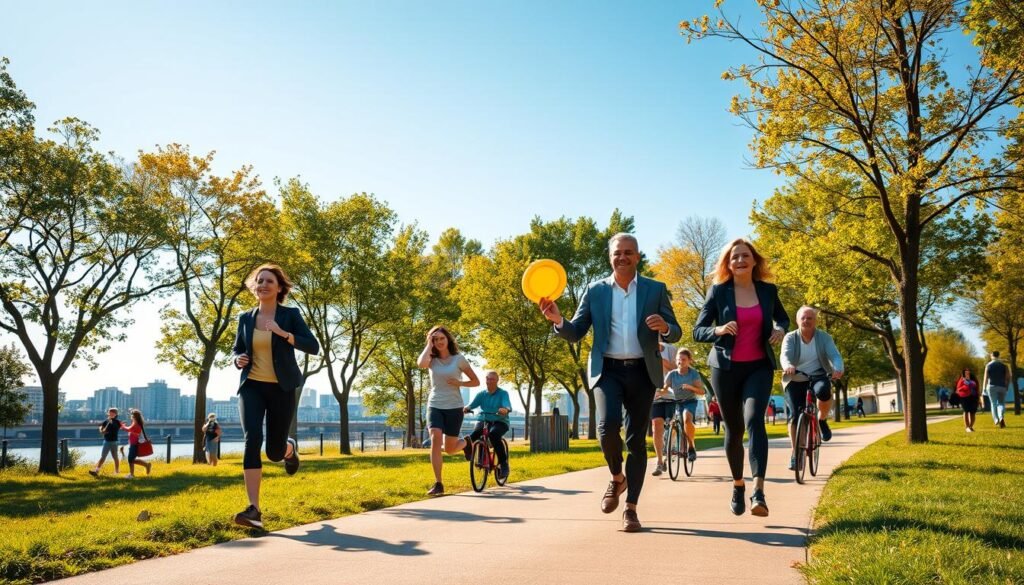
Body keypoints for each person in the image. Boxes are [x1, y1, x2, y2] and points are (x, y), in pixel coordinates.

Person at [540, 232, 681, 532]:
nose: (623, 257)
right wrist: (558, 320)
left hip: (644, 372)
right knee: (606, 428)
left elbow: (677, 331)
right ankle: (617, 477)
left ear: (638, 256)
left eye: (629, 252)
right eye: (618, 252)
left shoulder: (655, 289)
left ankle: (631, 509)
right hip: (607, 371)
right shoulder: (595, 291)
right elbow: (577, 331)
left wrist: (666, 327)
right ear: (610, 257)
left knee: (636, 442)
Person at [693, 238, 789, 517]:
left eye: (745, 256)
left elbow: (783, 319)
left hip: (758, 366)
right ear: (728, 263)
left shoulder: (768, 291)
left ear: (754, 260)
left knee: (754, 420)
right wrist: (719, 329)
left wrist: (780, 330)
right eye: (734, 257)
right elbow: (698, 331)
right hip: (725, 369)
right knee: (734, 431)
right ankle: (738, 485)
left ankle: (759, 491)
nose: (740, 260)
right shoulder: (718, 292)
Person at [231, 264, 320, 529]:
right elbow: (237, 349)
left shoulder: (290, 315)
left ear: (279, 287)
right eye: (260, 281)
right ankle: (254, 510)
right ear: (254, 286)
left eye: (269, 281)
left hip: (281, 388)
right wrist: (238, 359)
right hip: (252, 386)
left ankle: (289, 449)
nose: (264, 285)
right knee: (252, 439)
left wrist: (283, 333)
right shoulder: (246, 317)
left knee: (273, 452)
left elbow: (312, 346)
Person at [780, 306, 844, 470]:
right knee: (794, 415)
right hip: (795, 376)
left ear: (815, 321)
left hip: (818, 375)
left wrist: (837, 368)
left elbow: (834, 355)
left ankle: (821, 420)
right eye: (803, 318)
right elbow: (784, 355)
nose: (806, 321)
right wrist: (788, 366)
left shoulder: (824, 337)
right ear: (797, 320)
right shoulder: (790, 337)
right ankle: (795, 453)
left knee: (824, 392)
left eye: (810, 318)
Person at [418, 325, 479, 496]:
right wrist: (428, 345)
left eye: (441, 338)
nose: (439, 342)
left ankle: (467, 443)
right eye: (435, 339)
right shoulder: (431, 359)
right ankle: (438, 483)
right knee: (435, 437)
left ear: (448, 340)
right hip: (435, 404)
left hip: (454, 407)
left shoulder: (458, 359)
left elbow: (475, 381)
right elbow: (421, 363)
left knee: (450, 449)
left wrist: (460, 383)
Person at [658, 347, 704, 470]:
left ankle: (691, 447)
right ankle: (668, 451)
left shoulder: (693, 373)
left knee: (686, 419)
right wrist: (658, 393)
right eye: (678, 359)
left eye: (683, 359)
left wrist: (691, 387)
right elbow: (665, 389)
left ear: (689, 360)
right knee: (671, 425)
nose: (680, 362)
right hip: (676, 402)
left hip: (690, 402)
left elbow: (702, 391)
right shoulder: (671, 374)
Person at [464, 370, 513, 480]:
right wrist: (467, 408)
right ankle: (470, 451)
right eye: (488, 379)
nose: (489, 381)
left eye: (492, 379)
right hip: (484, 419)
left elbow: (507, 404)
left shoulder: (503, 393)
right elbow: (472, 404)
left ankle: (504, 464)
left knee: (494, 435)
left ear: (497, 381)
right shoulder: (481, 394)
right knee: (474, 435)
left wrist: (506, 409)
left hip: (500, 421)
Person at [88, 408, 122, 477]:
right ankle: (96, 471)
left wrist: (111, 422)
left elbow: (116, 428)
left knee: (115, 457)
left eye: (113, 413)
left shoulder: (117, 422)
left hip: (114, 442)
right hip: (106, 441)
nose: (111, 414)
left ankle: (117, 471)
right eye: (110, 413)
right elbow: (101, 427)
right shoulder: (106, 421)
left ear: (116, 414)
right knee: (103, 456)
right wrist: (101, 430)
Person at [120, 409, 152, 478]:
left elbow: (129, 429)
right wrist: (123, 426)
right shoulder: (135, 423)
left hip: (135, 444)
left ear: (134, 416)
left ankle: (145, 465)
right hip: (132, 443)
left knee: (131, 459)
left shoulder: (137, 424)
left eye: (132, 415)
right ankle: (132, 474)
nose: (131, 416)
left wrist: (122, 426)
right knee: (131, 459)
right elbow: (130, 429)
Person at [983, 351, 1009, 428]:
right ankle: (1001, 417)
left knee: (993, 403)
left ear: (992, 356)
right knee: (1001, 403)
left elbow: (985, 378)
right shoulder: (1004, 365)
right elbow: (1008, 377)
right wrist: (1006, 386)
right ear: (999, 355)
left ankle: (996, 419)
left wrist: (984, 388)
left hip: (991, 386)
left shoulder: (988, 365)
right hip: (1002, 387)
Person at [956, 367, 980, 432]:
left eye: (968, 371)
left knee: (973, 413)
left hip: (973, 397)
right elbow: (958, 389)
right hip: (964, 397)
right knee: (966, 411)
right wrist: (965, 387)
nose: (967, 372)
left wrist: (978, 397)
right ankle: (967, 427)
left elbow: (977, 387)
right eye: (965, 371)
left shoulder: (974, 379)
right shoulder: (961, 380)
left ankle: (970, 426)